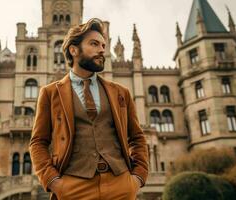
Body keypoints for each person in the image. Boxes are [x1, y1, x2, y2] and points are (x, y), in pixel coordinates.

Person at [29, 18, 149, 200]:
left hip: (121, 186)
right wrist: (54, 181)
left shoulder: (121, 92)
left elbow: (137, 137)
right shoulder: (50, 93)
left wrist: (137, 178)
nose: (102, 50)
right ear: (73, 50)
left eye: (103, 45)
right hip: (74, 189)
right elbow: (38, 142)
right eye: (94, 44)